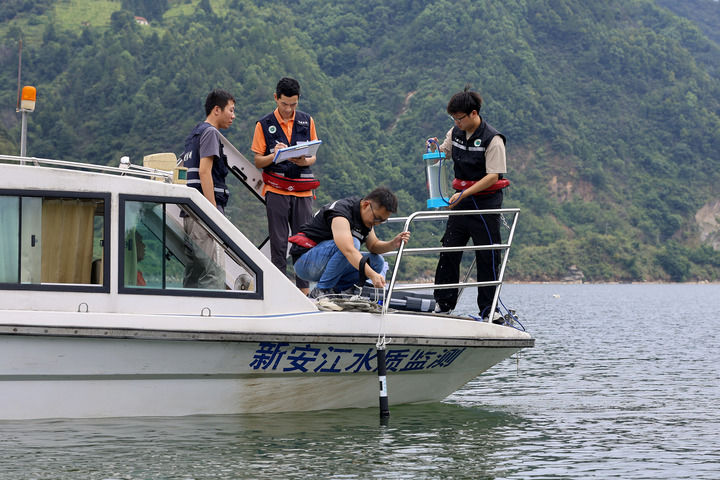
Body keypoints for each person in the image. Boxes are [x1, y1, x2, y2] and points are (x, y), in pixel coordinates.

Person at [427, 87, 508, 320]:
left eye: (460, 118)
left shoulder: (493, 140)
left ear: (474, 113)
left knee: (487, 254)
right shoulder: (455, 132)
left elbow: (493, 176)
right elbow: (445, 152)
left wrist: (464, 194)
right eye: (453, 119)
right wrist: (434, 149)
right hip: (461, 201)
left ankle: (489, 310)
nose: (457, 123)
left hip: (485, 203)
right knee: (449, 250)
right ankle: (443, 303)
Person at [251, 77, 319, 295]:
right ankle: (280, 290)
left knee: (303, 240)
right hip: (276, 189)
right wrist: (275, 155)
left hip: (303, 190)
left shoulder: (307, 121)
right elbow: (258, 161)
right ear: (276, 98)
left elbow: (313, 156)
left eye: (293, 104)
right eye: (284, 104)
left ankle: (304, 291)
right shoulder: (263, 124)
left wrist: (303, 161)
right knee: (279, 242)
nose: (289, 109)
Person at [290, 187, 410, 298]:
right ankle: (321, 291)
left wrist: (393, 244)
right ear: (366, 205)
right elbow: (348, 250)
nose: (377, 223)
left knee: (377, 262)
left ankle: (342, 292)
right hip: (305, 262)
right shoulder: (341, 213)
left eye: (382, 221)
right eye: (377, 218)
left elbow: (373, 246)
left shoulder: (367, 219)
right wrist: (372, 275)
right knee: (353, 243)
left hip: (327, 262)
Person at [180, 88, 235, 289]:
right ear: (216, 110)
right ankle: (213, 309)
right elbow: (205, 172)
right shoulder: (210, 133)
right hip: (203, 215)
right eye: (231, 110)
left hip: (190, 215)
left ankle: (188, 308)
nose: (233, 116)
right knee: (214, 273)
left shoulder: (193, 136)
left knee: (194, 274)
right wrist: (212, 212)